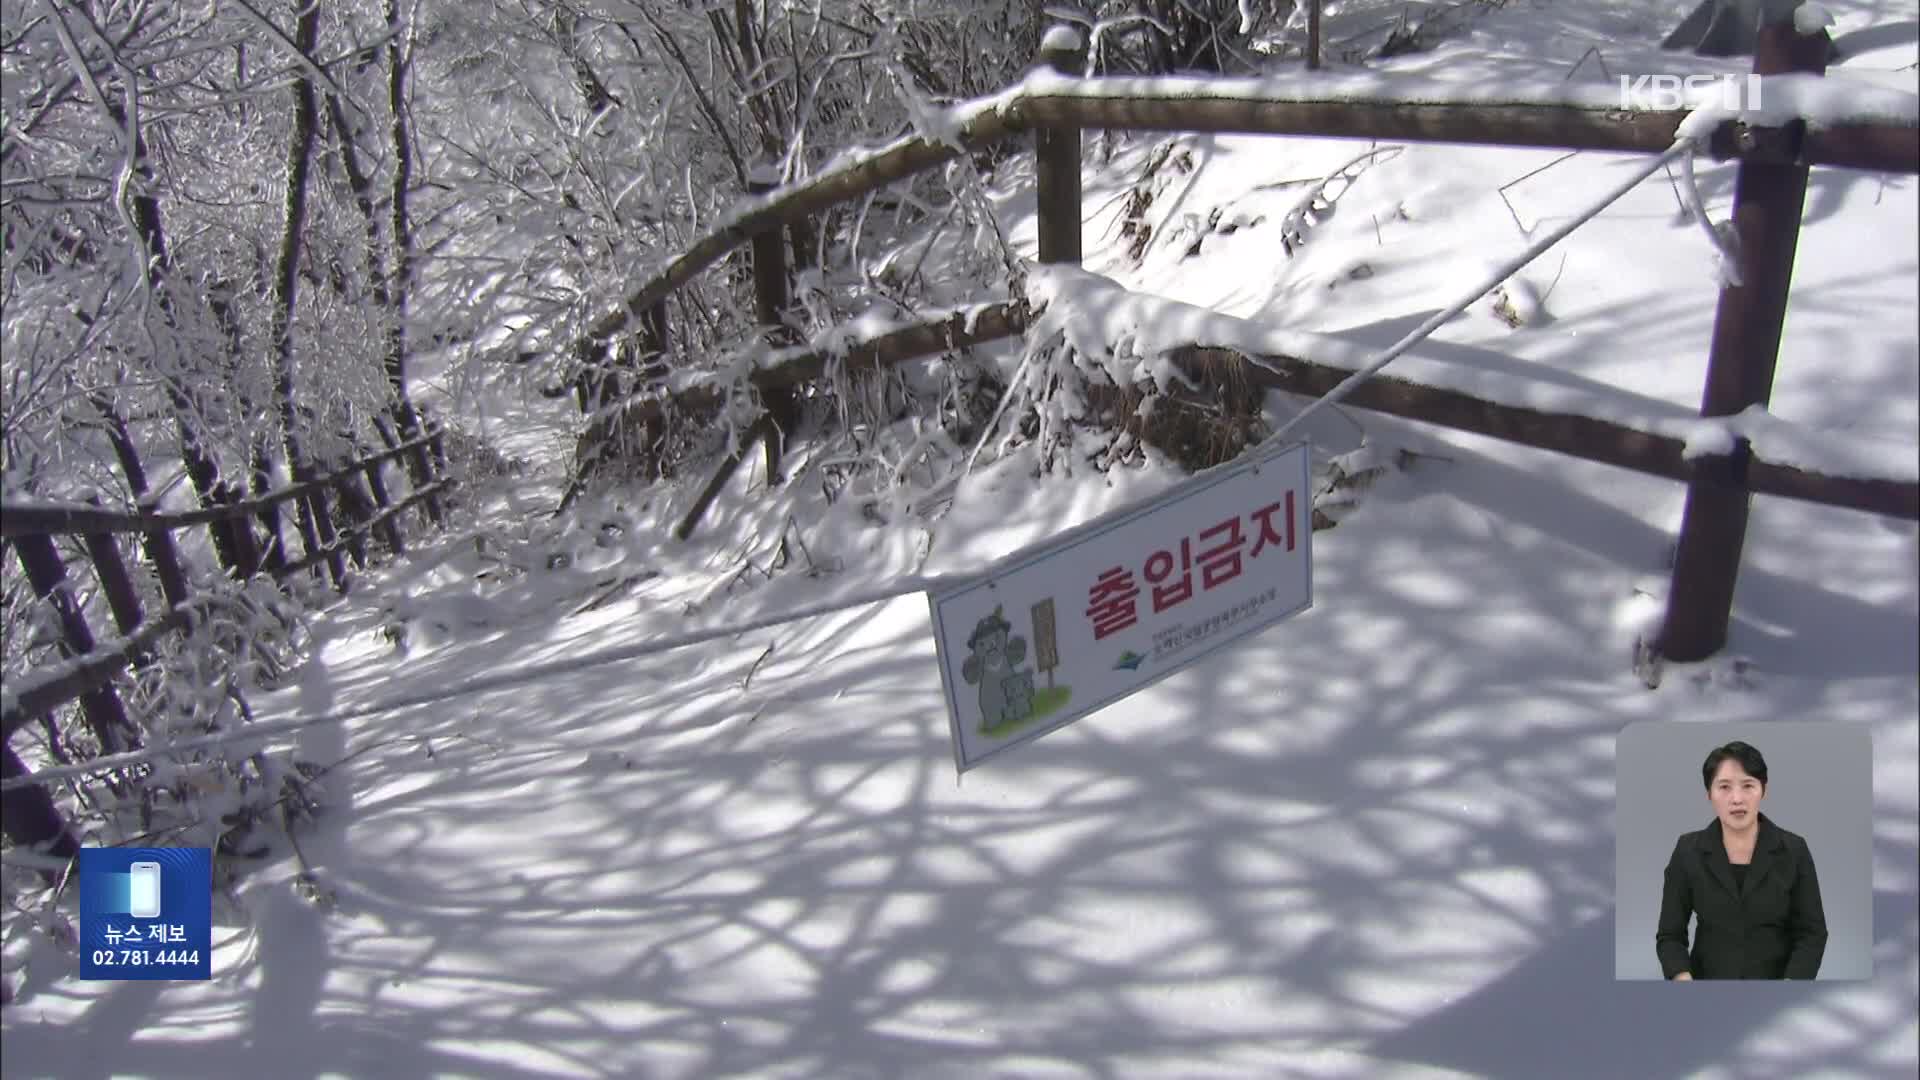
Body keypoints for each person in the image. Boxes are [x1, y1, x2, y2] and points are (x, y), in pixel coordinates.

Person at [1656, 740, 1828, 980]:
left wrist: (1791, 985)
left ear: (1763, 790)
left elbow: (1812, 933)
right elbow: (1670, 936)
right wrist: (1683, 981)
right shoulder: (1688, 851)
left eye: (1748, 786)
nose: (1737, 799)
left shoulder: (1793, 850)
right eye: (1724, 787)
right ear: (1709, 794)